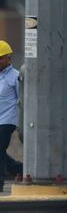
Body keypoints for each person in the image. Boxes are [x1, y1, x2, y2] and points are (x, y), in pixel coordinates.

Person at [0, 40, 21, 191]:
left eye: (1, 58)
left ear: (9, 58)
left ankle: (0, 182)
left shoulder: (16, 77)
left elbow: (21, 100)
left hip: (8, 120)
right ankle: (18, 169)